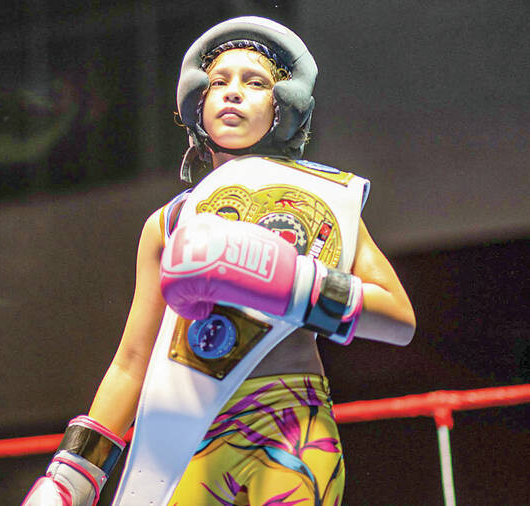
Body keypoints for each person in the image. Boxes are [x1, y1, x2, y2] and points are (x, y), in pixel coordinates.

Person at [23, 16, 415, 506]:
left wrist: (289, 283)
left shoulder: (326, 197)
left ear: (282, 105)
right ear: (198, 102)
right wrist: (71, 475)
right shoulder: (168, 224)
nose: (233, 92)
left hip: (292, 422)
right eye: (218, 82)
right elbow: (132, 363)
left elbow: (399, 318)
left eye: (255, 82)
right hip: (190, 435)